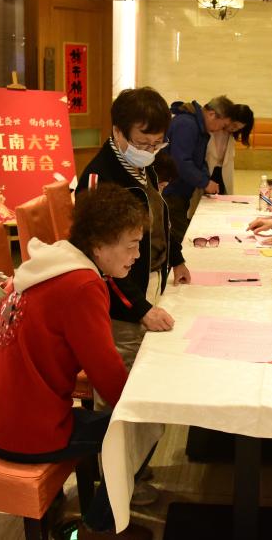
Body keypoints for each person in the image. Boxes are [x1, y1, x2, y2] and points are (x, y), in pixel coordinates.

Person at [0, 184, 154, 540]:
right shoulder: (82, 285)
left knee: (124, 420)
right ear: (99, 245)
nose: (137, 255)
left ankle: (100, 488)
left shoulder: (48, 264)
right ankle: (98, 528)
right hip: (22, 431)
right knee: (143, 424)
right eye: (131, 245)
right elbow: (108, 378)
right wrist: (148, 404)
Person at [77, 87, 189, 376]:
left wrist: (176, 258)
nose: (150, 151)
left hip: (149, 282)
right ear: (118, 131)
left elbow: (157, 215)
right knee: (126, 379)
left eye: (157, 144)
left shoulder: (141, 164)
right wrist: (140, 308)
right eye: (142, 143)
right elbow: (100, 260)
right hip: (121, 308)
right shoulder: (100, 178)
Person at [162, 96, 251, 245]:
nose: (221, 130)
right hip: (170, 190)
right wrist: (204, 182)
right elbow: (181, 162)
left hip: (180, 191)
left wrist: (207, 179)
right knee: (180, 241)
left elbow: (199, 161)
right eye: (223, 125)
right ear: (212, 114)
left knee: (179, 238)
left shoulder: (198, 127)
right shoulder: (187, 124)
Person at [205, 103, 254, 195]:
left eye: (238, 128)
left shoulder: (231, 136)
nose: (234, 129)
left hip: (223, 174)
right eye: (234, 125)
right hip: (205, 172)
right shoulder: (212, 129)